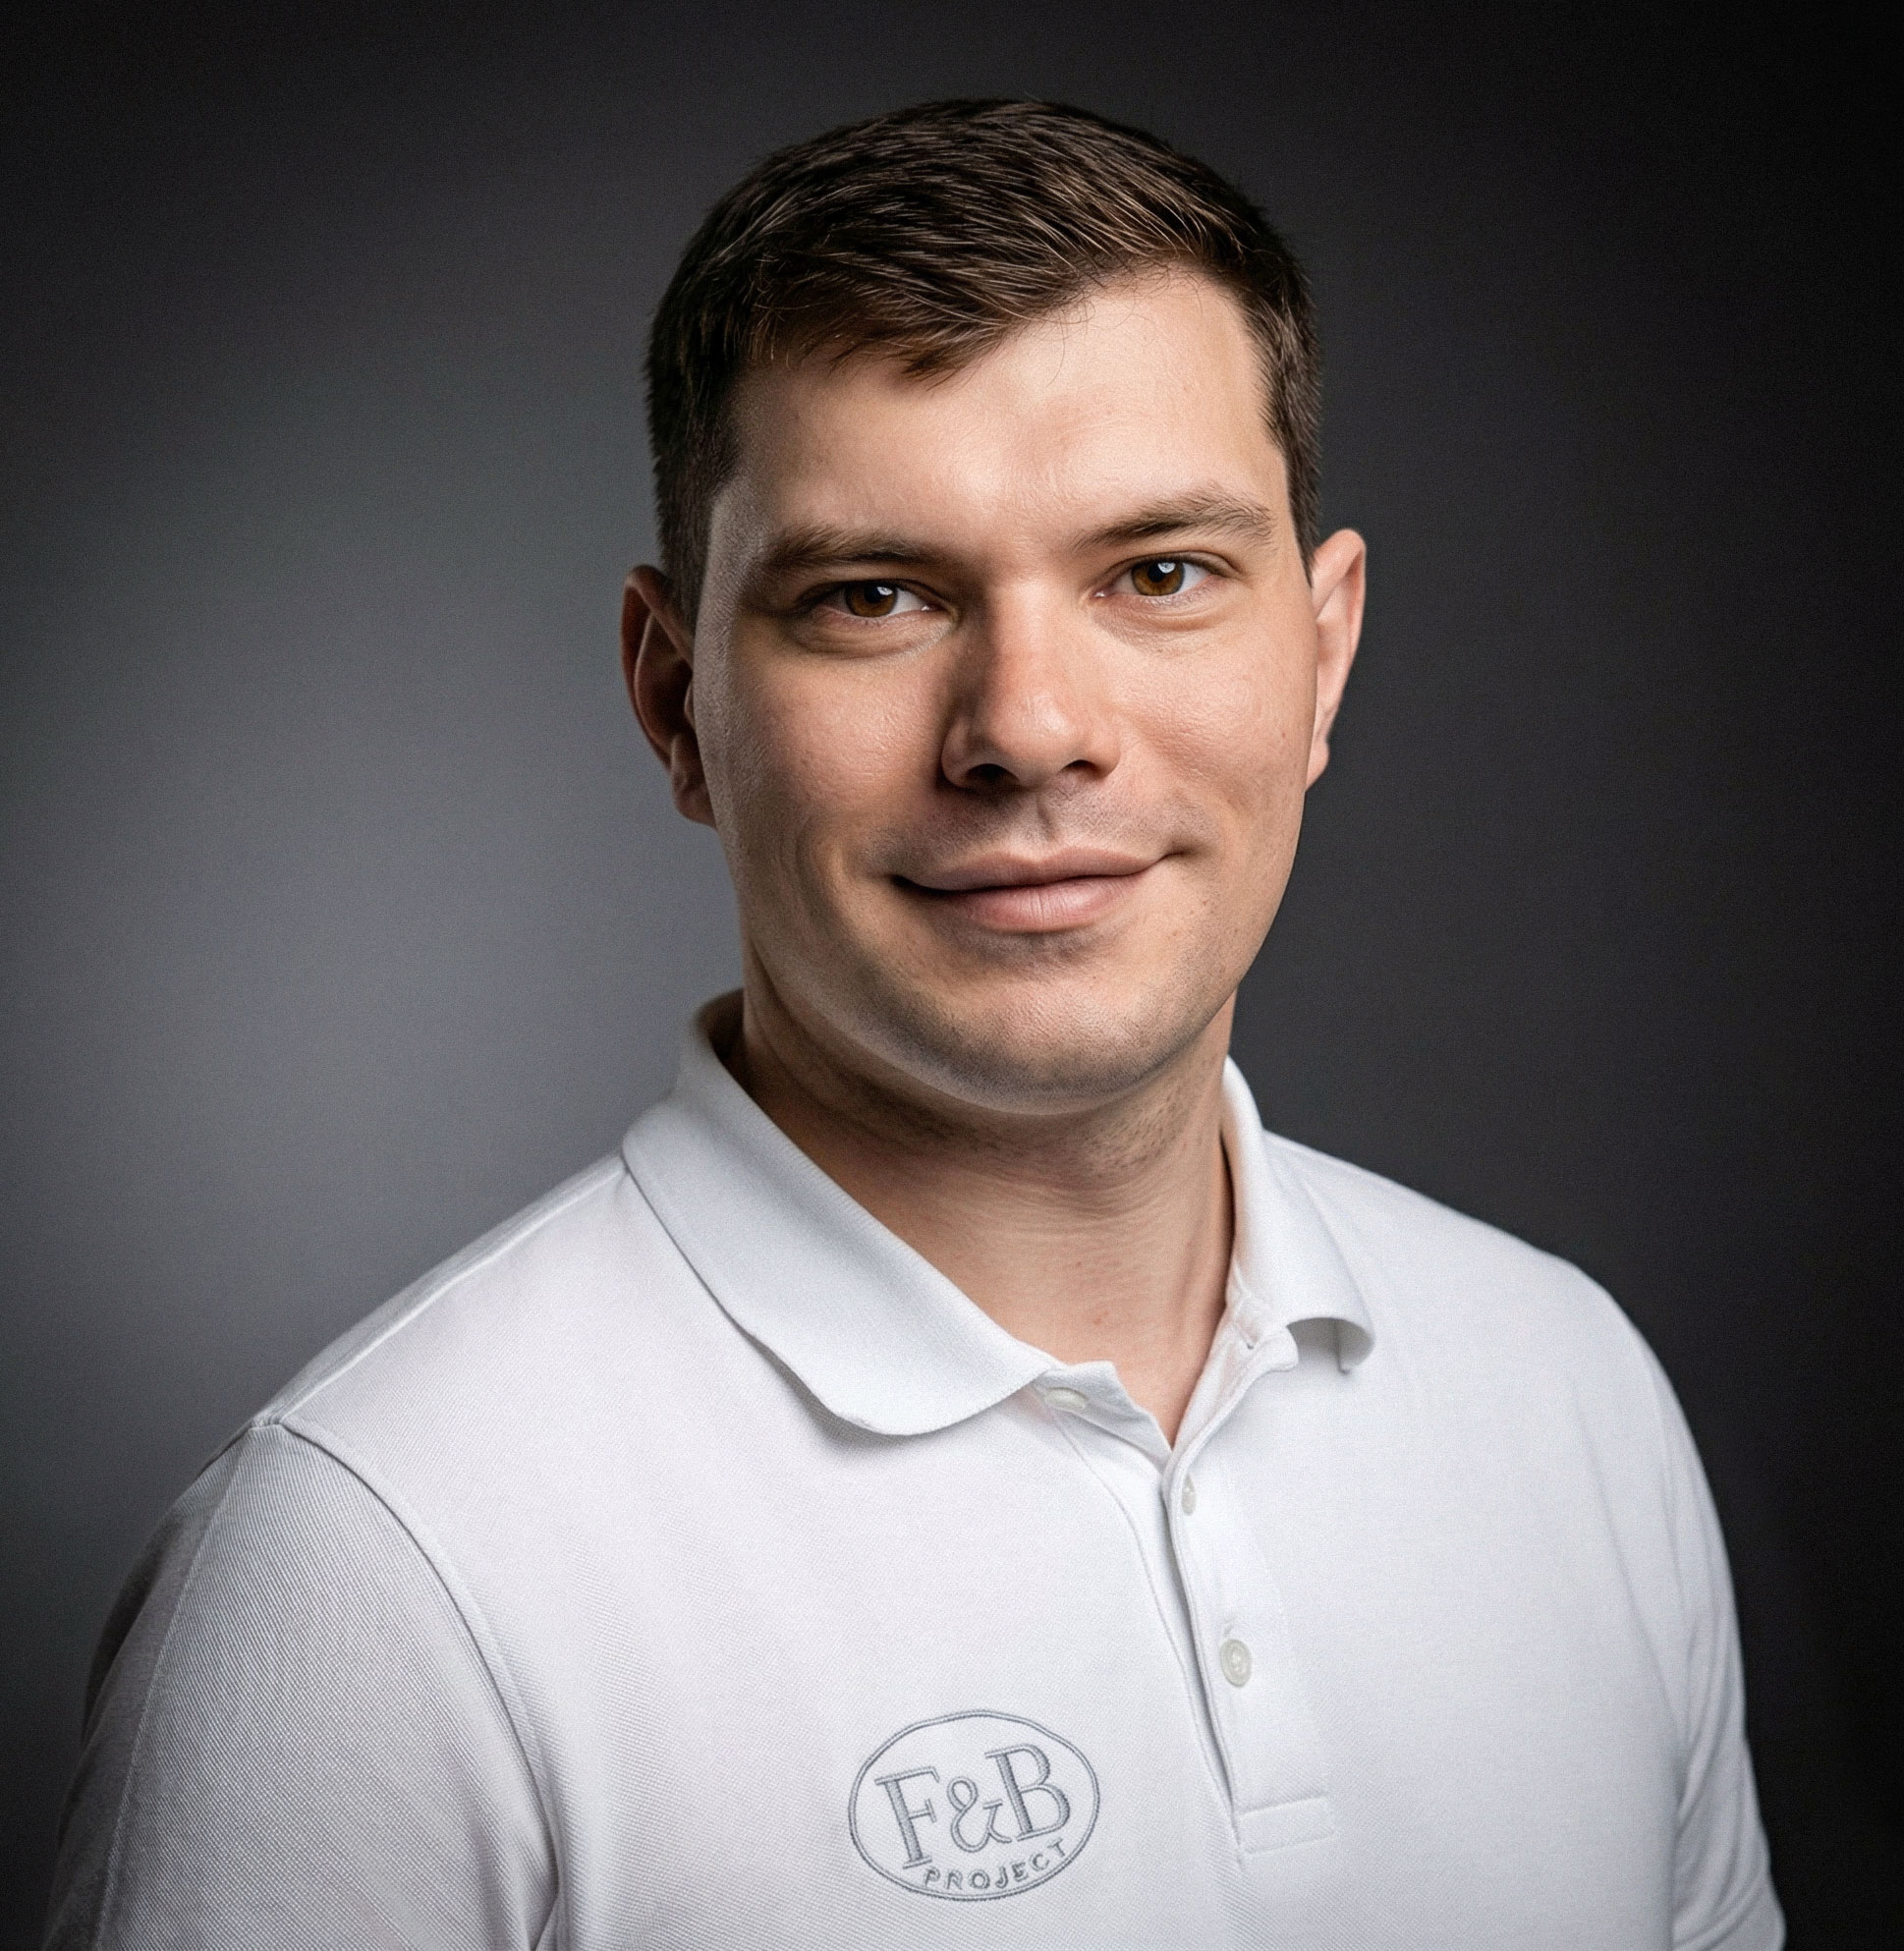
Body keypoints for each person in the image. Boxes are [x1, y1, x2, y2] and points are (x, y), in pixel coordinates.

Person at [44, 98, 1782, 1950]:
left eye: (1160, 574)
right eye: (873, 597)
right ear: (677, 703)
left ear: (1324, 652)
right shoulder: (368, 1574)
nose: (1028, 728)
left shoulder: (1567, 1393)